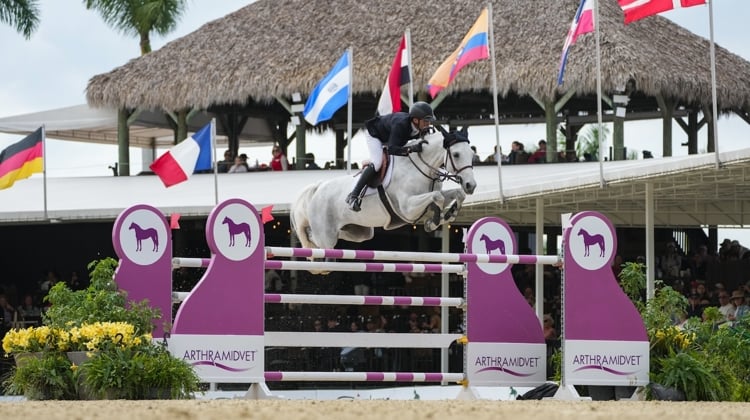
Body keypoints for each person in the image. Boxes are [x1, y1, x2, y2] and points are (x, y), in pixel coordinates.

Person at [344, 101, 435, 211]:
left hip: (391, 137)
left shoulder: (420, 127)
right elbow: (392, 149)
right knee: (377, 163)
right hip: (375, 135)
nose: (428, 124)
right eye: (426, 121)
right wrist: (411, 149)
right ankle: (353, 196)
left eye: (429, 121)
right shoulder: (401, 125)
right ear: (416, 120)